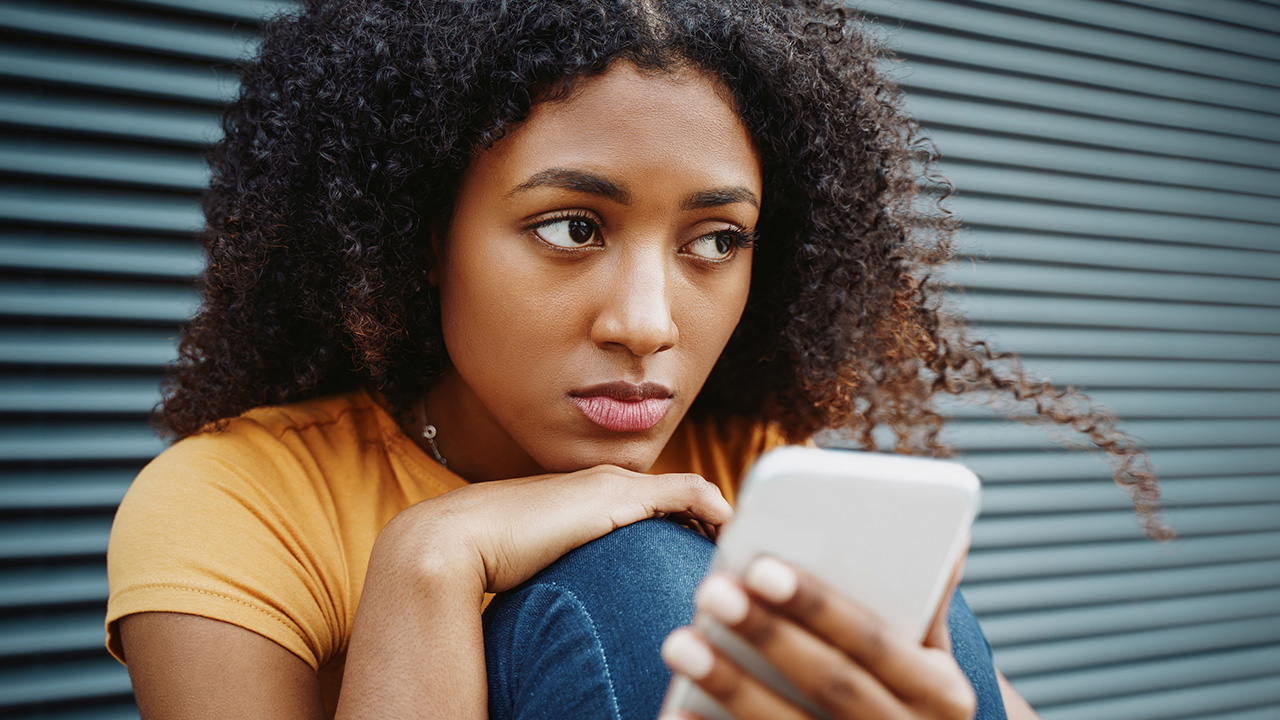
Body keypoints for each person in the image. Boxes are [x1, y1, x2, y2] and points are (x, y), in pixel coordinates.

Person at [105, 1, 1166, 718]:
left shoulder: (746, 459)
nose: (649, 324)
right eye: (571, 227)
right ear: (425, 233)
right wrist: (426, 567)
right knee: (633, 577)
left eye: (715, 242)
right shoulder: (232, 506)